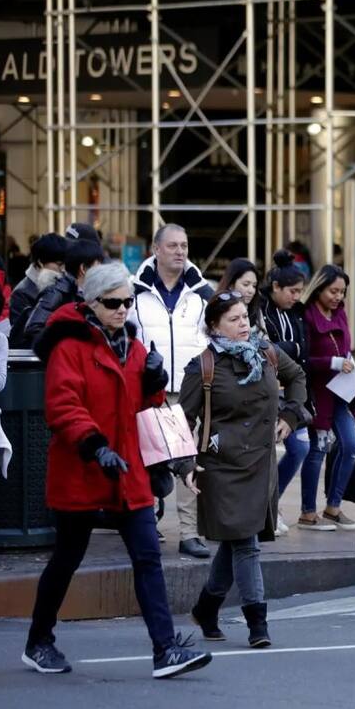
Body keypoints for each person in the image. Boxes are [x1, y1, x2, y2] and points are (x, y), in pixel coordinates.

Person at [24, 262, 210, 678]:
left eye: (128, 301)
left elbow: (145, 406)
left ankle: (165, 649)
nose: (123, 309)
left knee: (147, 557)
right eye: (114, 302)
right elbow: (62, 405)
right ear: (91, 303)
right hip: (83, 471)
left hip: (128, 472)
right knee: (67, 559)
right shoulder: (69, 347)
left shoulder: (132, 345)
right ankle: (39, 640)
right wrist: (95, 446)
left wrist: (154, 378)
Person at [181, 291, 308, 649]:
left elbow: (297, 375)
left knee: (239, 539)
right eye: (234, 320)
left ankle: (206, 608)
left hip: (259, 463)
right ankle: (258, 623)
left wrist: (290, 415)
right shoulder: (203, 366)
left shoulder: (265, 352)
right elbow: (181, 420)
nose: (243, 325)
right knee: (246, 543)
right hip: (221, 467)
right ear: (213, 326)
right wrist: (185, 465)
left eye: (244, 317)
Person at [130, 223, 215, 559]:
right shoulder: (133, 292)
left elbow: (210, 336)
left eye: (185, 245)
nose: (180, 251)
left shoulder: (201, 293)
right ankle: (146, 525)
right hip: (148, 387)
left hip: (189, 388)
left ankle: (189, 533)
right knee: (146, 458)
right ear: (156, 249)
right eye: (173, 246)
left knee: (188, 458)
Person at [299, 265, 355, 531]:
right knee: (317, 450)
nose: (337, 296)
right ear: (319, 287)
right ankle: (308, 513)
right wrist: (333, 362)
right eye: (333, 290)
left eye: (342, 292)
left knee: (352, 445)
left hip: (342, 392)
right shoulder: (306, 315)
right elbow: (302, 359)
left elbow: (347, 350)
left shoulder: (340, 313)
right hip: (317, 395)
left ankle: (333, 507)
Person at [262, 251, 312, 536]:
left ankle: (272, 502)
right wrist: (288, 349)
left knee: (301, 447)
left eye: (299, 291)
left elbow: (298, 354)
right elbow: (274, 350)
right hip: (271, 392)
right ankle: (269, 506)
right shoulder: (263, 310)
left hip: (293, 391)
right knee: (290, 448)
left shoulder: (296, 313)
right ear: (276, 287)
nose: (296, 296)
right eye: (292, 291)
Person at [21, 239, 104, 349]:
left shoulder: (98, 293)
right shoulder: (56, 292)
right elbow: (34, 328)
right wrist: (69, 343)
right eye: (98, 266)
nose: (102, 271)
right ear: (83, 268)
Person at [8, 232, 65, 349]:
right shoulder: (22, 293)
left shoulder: (62, 284)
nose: (63, 270)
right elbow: (21, 339)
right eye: (59, 264)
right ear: (40, 262)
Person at [214, 259, 264, 336]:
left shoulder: (256, 308)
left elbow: (266, 341)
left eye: (254, 286)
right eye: (246, 284)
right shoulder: (217, 309)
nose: (251, 290)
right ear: (231, 285)